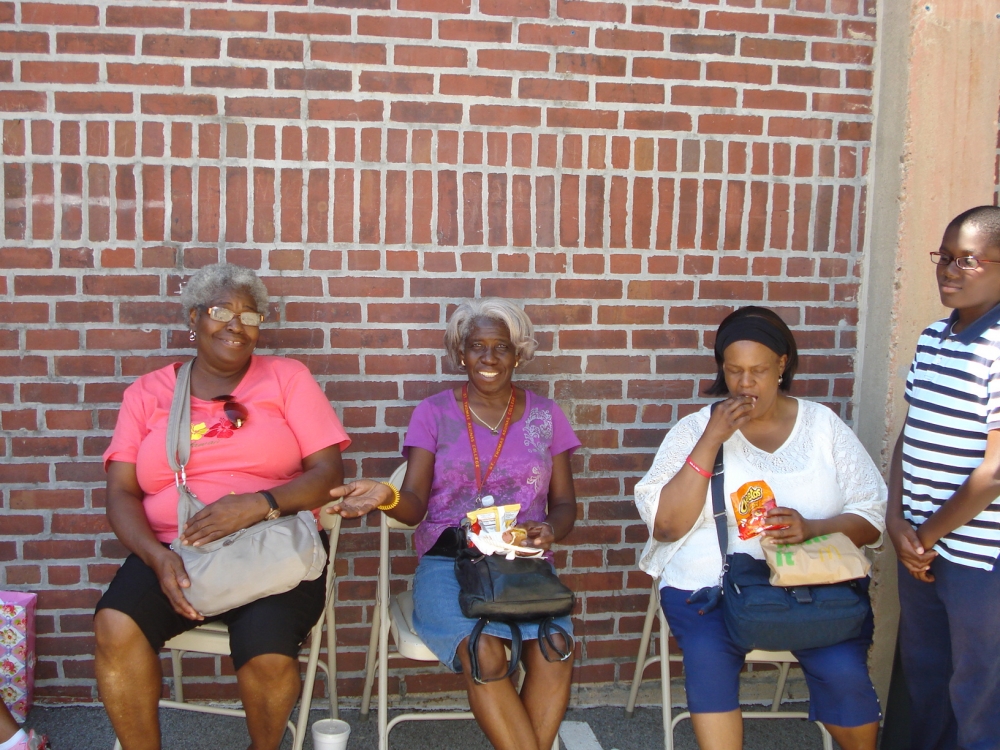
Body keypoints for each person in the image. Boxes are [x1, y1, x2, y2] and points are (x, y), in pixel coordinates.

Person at [93, 263, 349, 750]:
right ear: (194, 319)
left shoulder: (288, 378)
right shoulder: (147, 393)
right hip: (176, 552)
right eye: (221, 312)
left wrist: (260, 504)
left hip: (272, 546)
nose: (236, 325)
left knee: (268, 655)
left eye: (249, 316)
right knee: (115, 624)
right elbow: (121, 492)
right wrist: (156, 557)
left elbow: (327, 475)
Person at [327, 298, 580, 750]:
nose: (489, 357)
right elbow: (414, 506)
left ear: (518, 354)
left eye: (501, 346)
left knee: (555, 649)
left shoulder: (546, 415)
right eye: (477, 346)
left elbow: (564, 503)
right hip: (449, 562)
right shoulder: (434, 413)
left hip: (521, 564)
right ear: (460, 354)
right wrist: (387, 496)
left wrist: (552, 530)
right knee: (484, 651)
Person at [634, 306, 887, 750]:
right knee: (709, 660)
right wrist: (712, 439)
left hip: (808, 583)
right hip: (710, 583)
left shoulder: (822, 426)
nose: (745, 384)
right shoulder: (695, 429)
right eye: (734, 371)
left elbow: (872, 514)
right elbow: (667, 527)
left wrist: (813, 527)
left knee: (844, 675)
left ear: (782, 365)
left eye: (758, 371)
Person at [887, 205, 1000, 750]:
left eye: (969, 260)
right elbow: (910, 436)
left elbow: (995, 472)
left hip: (980, 558)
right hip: (921, 549)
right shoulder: (933, 337)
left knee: (979, 694)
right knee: (927, 679)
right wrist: (895, 520)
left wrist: (925, 536)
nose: (950, 270)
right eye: (945, 257)